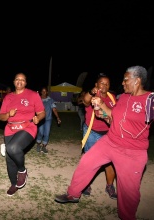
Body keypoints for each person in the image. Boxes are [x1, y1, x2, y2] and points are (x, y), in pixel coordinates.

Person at [55, 66, 153, 220]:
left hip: (132, 151)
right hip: (110, 141)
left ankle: (127, 216)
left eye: (126, 79)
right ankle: (73, 194)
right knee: (87, 161)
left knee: (128, 192)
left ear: (137, 80)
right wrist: (102, 110)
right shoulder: (123, 98)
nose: (122, 82)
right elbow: (113, 115)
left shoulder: (150, 99)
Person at [0, 73, 45, 196]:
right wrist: (8, 114)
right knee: (9, 159)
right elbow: (1, 116)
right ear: (14, 82)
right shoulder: (8, 97)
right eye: (17, 79)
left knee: (13, 148)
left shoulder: (33, 95)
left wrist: (38, 119)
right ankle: (14, 184)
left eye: (22, 80)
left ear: (26, 83)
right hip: (10, 129)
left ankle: (22, 170)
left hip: (28, 126)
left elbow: (42, 112)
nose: (20, 81)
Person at [80, 73, 117, 199]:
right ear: (96, 84)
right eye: (102, 83)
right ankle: (86, 184)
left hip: (108, 134)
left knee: (110, 162)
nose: (104, 86)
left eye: (107, 84)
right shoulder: (92, 95)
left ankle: (110, 186)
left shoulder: (112, 98)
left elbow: (115, 115)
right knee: (89, 160)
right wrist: (91, 92)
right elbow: (85, 101)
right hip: (92, 132)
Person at [35, 86, 61, 154]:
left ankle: (44, 146)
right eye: (42, 91)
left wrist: (57, 117)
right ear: (41, 92)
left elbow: (54, 109)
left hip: (48, 119)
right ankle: (38, 144)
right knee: (41, 132)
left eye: (45, 91)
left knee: (46, 133)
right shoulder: (38, 99)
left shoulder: (50, 100)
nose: (44, 92)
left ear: (47, 92)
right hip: (40, 119)